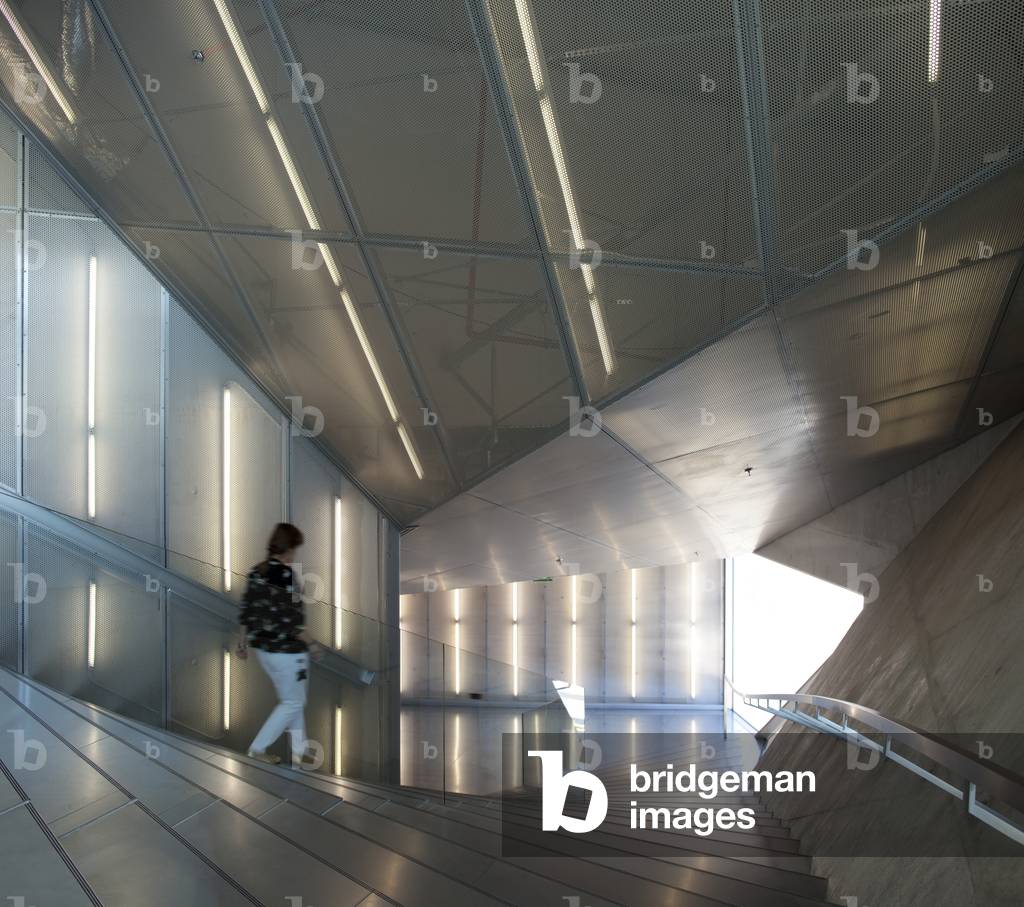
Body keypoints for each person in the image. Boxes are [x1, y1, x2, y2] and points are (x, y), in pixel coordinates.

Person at [236, 522, 325, 767]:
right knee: (293, 702)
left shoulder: (256, 572)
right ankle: (257, 748)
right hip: (288, 653)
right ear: (289, 549)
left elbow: (246, 611)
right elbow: (294, 622)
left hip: (263, 651)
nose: (295, 554)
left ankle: (301, 749)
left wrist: (242, 642)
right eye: (295, 549)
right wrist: (313, 645)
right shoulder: (287, 575)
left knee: (292, 698)